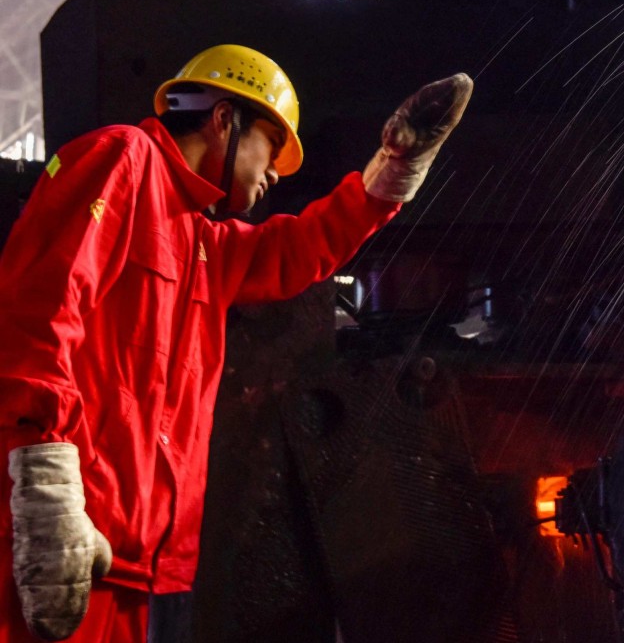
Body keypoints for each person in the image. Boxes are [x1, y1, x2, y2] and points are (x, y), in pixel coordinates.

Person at [0, 44, 473, 642]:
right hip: (61, 536)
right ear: (225, 119)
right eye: (271, 148)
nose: (277, 172)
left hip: (135, 564)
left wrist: (395, 168)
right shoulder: (121, 158)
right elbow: (38, 310)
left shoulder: (202, 243)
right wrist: (46, 488)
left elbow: (302, 248)